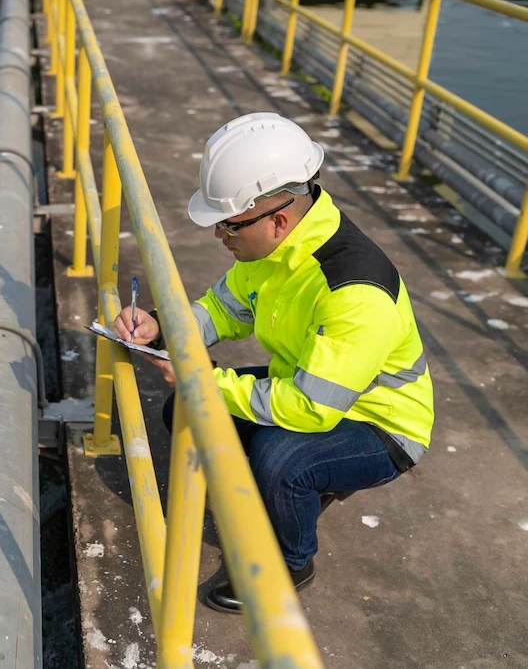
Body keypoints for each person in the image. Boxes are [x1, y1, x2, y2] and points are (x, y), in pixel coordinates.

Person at [114, 112, 435, 614]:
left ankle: (289, 561)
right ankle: (290, 496)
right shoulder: (273, 249)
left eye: (228, 224)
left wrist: (205, 381)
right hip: (311, 388)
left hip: (380, 425)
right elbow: (224, 308)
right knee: (184, 411)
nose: (221, 235)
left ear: (277, 219)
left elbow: (311, 409)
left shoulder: (354, 291)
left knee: (279, 460)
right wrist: (161, 325)